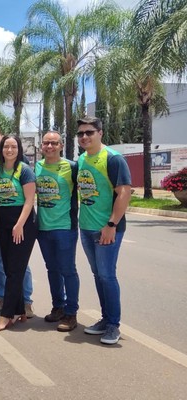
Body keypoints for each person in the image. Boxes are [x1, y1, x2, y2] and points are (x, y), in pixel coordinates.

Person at [76, 116, 131, 345]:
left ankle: (113, 325)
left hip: (107, 229)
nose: (84, 137)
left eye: (89, 132)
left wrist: (111, 225)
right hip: (86, 228)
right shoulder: (81, 160)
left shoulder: (113, 158)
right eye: (80, 134)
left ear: (100, 132)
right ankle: (105, 318)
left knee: (107, 275)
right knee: (98, 275)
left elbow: (124, 192)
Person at [0, 125, 35, 317]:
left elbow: (30, 198)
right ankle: (2, 296)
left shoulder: (23, 165)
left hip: (19, 222)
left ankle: (26, 301)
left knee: (19, 264)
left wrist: (19, 224)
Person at [36, 131, 80, 332]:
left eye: (54, 143)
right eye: (46, 143)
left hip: (65, 227)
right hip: (43, 228)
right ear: (41, 146)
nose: (50, 146)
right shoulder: (36, 167)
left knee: (67, 270)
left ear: (61, 145)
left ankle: (71, 313)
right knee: (52, 269)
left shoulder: (72, 167)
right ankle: (58, 307)